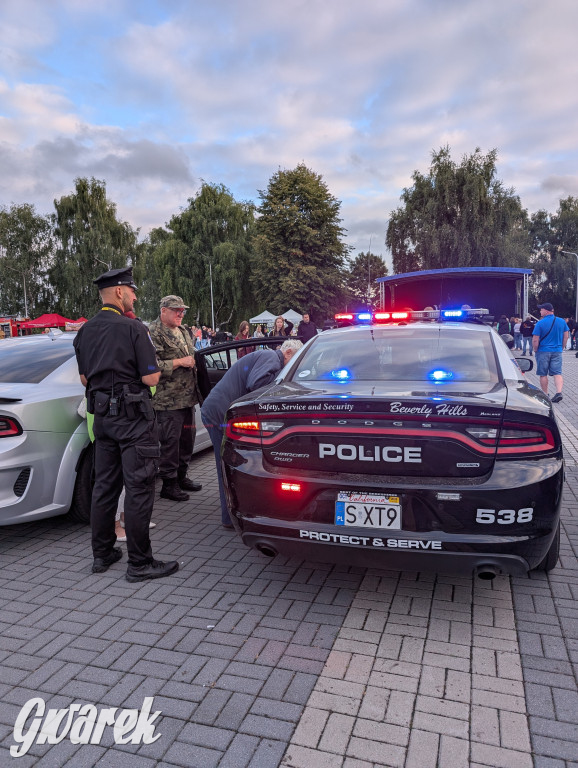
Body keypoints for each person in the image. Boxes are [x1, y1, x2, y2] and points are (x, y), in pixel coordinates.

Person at [73, 267, 179, 582]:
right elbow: (151, 377)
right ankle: (140, 563)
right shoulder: (134, 329)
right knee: (139, 487)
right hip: (133, 420)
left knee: (104, 487)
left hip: (103, 419)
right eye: (132, 291)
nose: (134, 296)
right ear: (119, 292)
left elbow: (84, 378)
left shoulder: (85, 331)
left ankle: (102, 554)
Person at [201, 339, 303, 528]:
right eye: (295, 360)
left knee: (230, 461)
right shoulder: (271, 357)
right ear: (288, 352)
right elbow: (256, 385)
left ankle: (233, 511)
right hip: (219, 413)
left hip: (221, 411)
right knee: (225, 463)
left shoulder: (269, 358)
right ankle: (228, 518)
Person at [149, 296, 203, 502]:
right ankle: (168, 484)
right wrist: (180, 361)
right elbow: (151, 366)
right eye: (176, 310)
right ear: (163, 311)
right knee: (170, 444)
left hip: (188, 398)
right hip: (168, 400)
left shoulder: (182, 331)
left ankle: (182, 477)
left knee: (187, 441)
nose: (180, 314)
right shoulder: (154, 332)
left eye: (182, 310)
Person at [532, 302, 569, 403]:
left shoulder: (540, 323)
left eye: (541, 309)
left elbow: (535, 339)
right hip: (557, 351)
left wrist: (535, 349)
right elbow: (566, 336)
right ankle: (558, 392)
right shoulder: (562, 321)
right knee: (557, 373)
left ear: (546, 311)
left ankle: (545, 394)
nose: (540, 311)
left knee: (543, 374)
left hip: (543, 351)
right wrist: (561, 347)